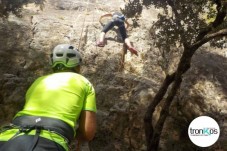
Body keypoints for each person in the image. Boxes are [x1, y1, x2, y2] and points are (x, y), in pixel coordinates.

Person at [0, 44, 97, 151]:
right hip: (49, 141)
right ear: (78, 66)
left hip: (9, 136)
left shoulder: (38, 81)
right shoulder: (84, 83)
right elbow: (88, 133)